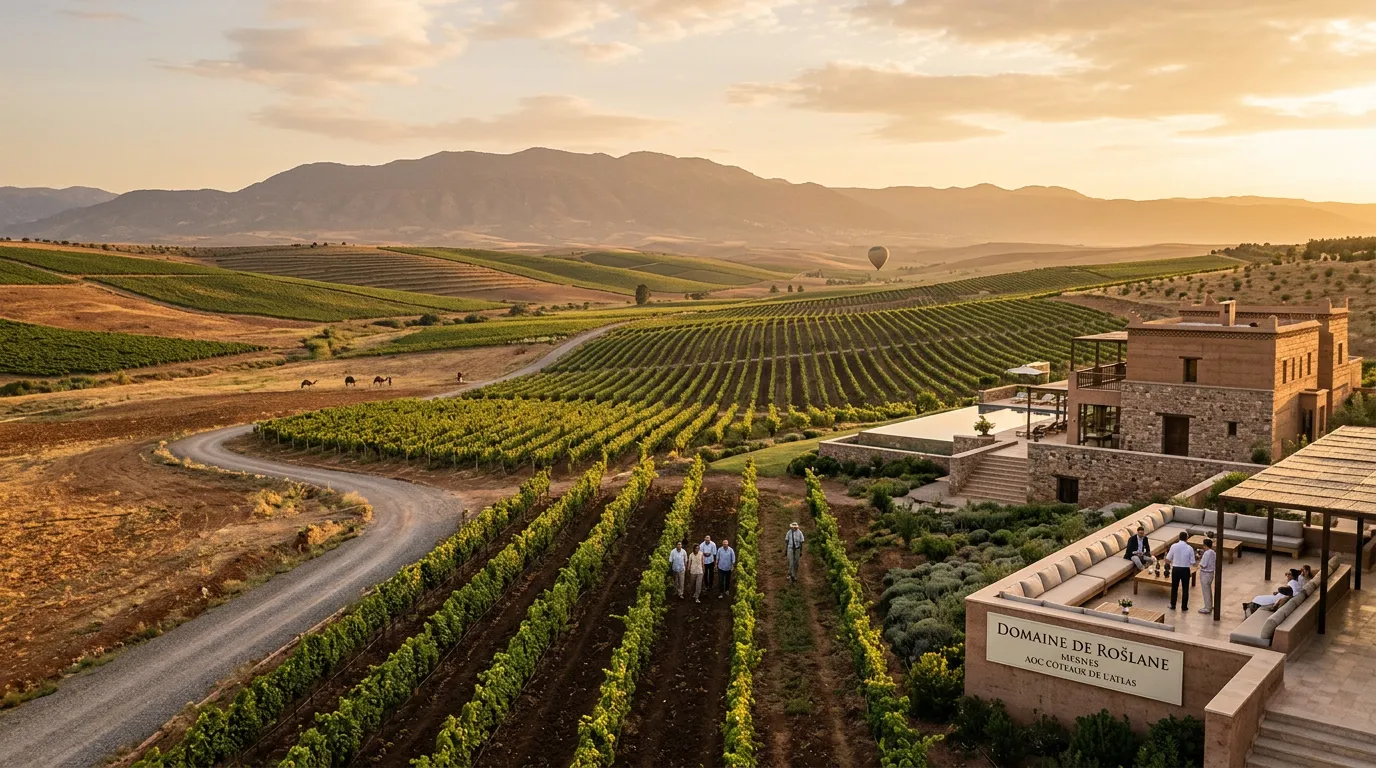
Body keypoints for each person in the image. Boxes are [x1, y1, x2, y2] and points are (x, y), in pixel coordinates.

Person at [1166, 531, 1196, 611]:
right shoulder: (1190, 548)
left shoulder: (1174, 546)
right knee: (1185, 588)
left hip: (1176, 569)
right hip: (1185, 569)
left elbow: (1168, 558)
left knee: (1174, 587)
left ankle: (1173, 604)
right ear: (1187, 538)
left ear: (1179, 537)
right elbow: (1193, 562)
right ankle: (1184, 607)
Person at [1197, 538, 1217, 614]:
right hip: (1211, 573)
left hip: (1205, 574)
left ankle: (1207, 607)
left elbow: (1203, 565)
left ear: (1205, 545)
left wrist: (1199, 560)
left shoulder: (1206, 553)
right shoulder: (1213, 552)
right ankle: (1210, 605)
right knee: (1209, 590)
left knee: (1206, 591)